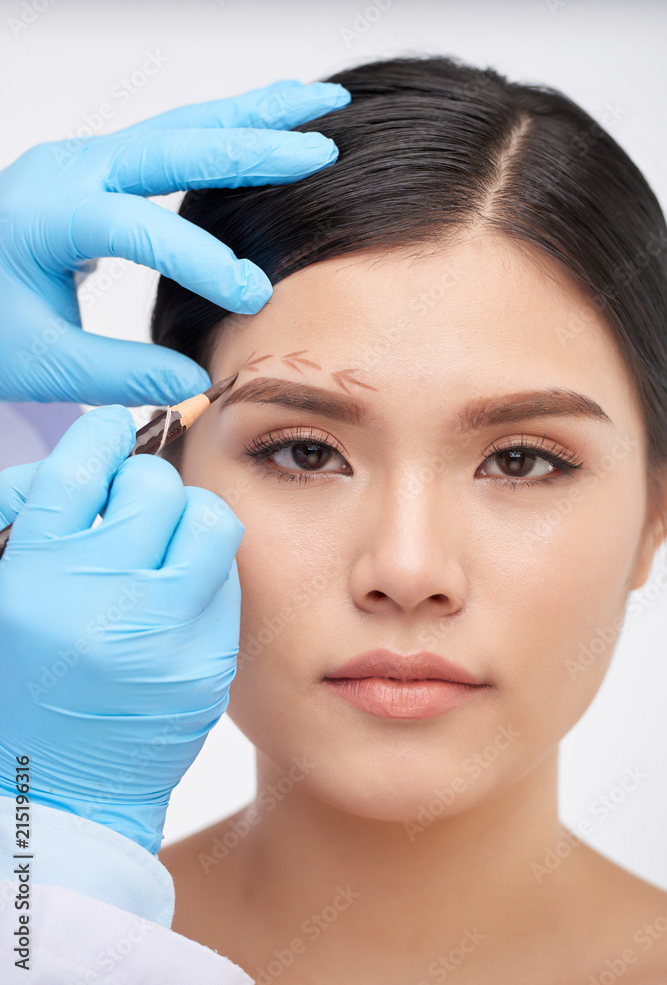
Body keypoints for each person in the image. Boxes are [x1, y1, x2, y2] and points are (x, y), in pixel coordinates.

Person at [2, 52, 667, 982]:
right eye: (305, 452)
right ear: (167, 474)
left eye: (520, 460)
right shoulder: (36, 919)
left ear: (653, 516)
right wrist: (39, 853)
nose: (406, 567)